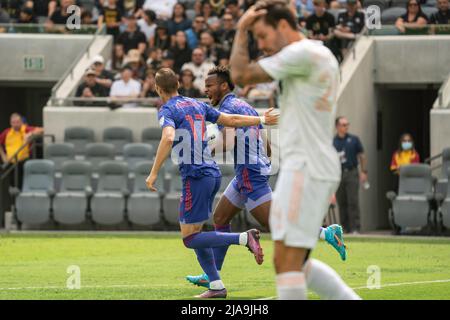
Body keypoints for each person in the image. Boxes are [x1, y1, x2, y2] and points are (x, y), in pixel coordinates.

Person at [229, 0, 360, 300]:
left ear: (284, 27)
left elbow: (240, 74)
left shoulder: (301, 53)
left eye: (262, 36)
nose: (260, 44)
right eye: (256, 38)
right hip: (308, 165)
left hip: (306, 166)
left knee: (287, 263)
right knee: (293, 263)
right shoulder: (314, 53)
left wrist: (241, 29)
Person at [185, 66, 348, 289]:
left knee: (277, 226)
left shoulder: (229, 110)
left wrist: (204, 149)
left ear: (224, 86)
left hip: (250, 175)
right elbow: (264, 137)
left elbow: (229, 142)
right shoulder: (244, 105)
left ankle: (327, 233)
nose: (206, 89)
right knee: (221, 218)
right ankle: (213, 276)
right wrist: (262, 154)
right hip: (248, 173)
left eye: (210, 85)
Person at [145, 68, 278, 298]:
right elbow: (233, 120)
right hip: (212, 175)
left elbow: (167, 137)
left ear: (158, 89)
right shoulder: (195, 103)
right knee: (200, 230)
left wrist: (153, 172)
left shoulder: (166, 109)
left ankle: (244, 238)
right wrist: (262, 119)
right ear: (178, 84)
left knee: (189, 238)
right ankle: (215, 285)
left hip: (196, 176)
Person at [333, 116, 367, 234]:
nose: (346, 127)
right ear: (337, 126)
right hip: (339, 174)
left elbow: (361, 155)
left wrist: (363, 171)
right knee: (342, 202)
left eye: (347, 124)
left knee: (353, 201)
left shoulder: (354, 139)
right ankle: (345, 228)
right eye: (343, 125)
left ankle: (355, 228)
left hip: (352, 172)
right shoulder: (333, 142)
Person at [0, 113, 44, 188]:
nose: (15, 124)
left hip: (24, 161)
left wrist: (30, 134)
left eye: (17, 122)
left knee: (23, 184)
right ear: (10, 123)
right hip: (11, 163)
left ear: (21, 122)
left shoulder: (26, 129)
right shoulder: (7, 132)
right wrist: (3, 156)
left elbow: (42, 129)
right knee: (13, 186)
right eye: (13, 122)